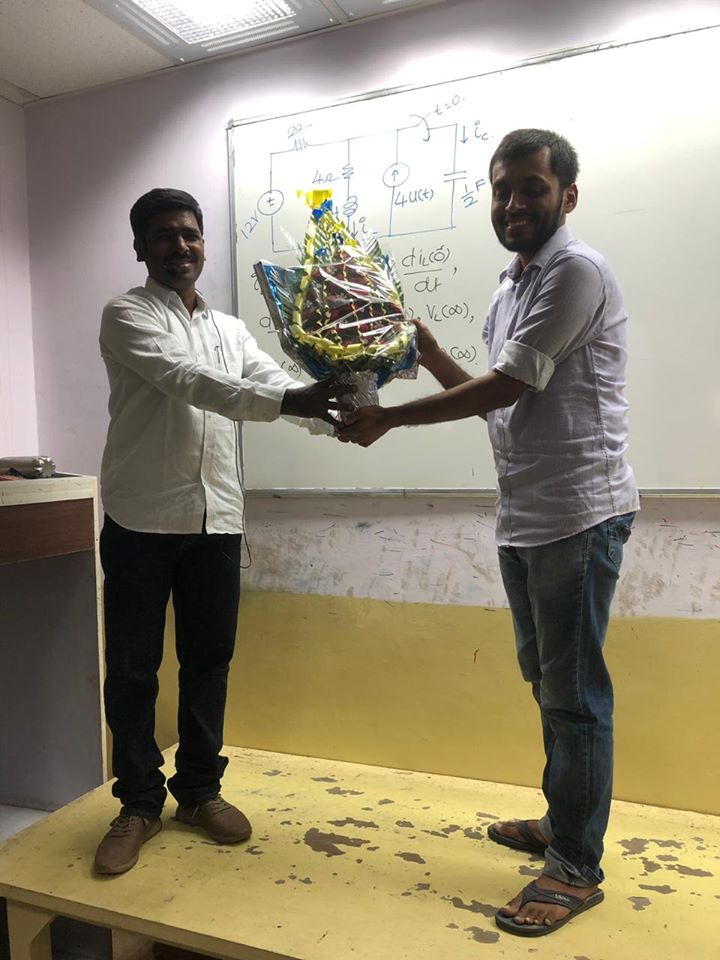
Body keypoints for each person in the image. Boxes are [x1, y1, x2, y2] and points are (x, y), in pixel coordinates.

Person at [339, 129, 638, 937]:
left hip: (578, 513)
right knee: (548, 681)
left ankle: (574, 866)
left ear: (566, 195)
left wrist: (388, 419)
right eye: (501, 188)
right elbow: (497, 399)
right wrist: (430, 350)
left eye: (530, 188)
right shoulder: (512, 286)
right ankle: (562, 819)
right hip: (529, 515)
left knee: (574, 696)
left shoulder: (574, 272)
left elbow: (506, 385)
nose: (512, 203)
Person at [95, 188, 350, 876]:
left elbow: (267, 379)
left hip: (217, 519)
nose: (179, 246)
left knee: (209, 662)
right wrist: (291, 398)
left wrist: (340, 413)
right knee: (133, 670)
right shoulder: (127, 314)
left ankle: (199, 792)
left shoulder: (230, 330)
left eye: (190, 234)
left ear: (204, 243)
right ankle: (138, 803)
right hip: (141, 519)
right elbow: (188, 381)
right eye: (163, 236)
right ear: (141, 248)